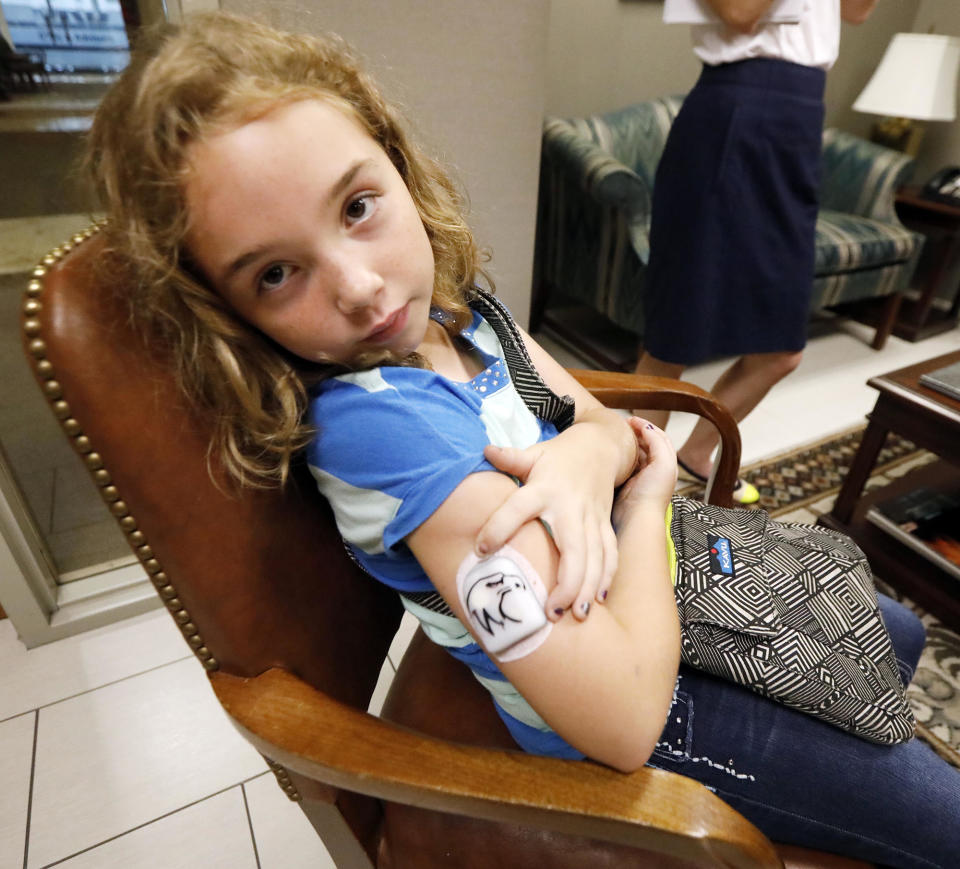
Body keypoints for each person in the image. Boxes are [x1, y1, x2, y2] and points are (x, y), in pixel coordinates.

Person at [86, 13, 959, 867]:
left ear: (396, 161)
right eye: (276, 273)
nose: (359, 286)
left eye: (357, 206)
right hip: (640, 701)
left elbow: (600, 424)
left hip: (651, 593)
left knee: (885, 632)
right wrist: (646, 494)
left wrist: (588, 456)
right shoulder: (384, 432)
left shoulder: (454, 313)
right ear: (222, 309)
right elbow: (621, 718)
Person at [635, 0, 879, 505]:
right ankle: (632, 476)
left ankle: (696, 454)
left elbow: (857, 12)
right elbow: (739, 11)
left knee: (781, 349)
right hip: (738, 115)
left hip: (799, 120)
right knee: (673, 332)